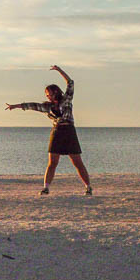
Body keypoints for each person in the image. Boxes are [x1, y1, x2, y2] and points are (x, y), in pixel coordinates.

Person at [6, 65, 92, 196]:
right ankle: (46, 188)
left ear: (56, 92)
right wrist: (14, 106)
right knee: (52, 162)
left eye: (50, 94)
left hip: (69, 131)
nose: (48, 96)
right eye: (46, 95)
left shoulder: (66, 99)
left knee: (77, 162)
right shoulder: (47, 107)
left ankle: (88, 187)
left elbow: (70, 83)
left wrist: (59, 70)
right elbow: (31, 105)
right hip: (56, 132)